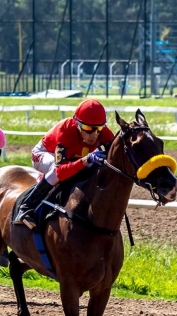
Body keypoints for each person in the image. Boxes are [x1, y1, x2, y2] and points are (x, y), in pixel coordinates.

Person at [14, 98, 115, 229]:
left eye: (99, 128)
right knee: (55, 170)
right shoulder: (65, 130)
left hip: (72, 158)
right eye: (88, 128)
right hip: (45, 154)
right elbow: (61, 170)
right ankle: (26, 206)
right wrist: (85, 160)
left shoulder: (102, 132)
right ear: (77, 123)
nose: (94, 134)